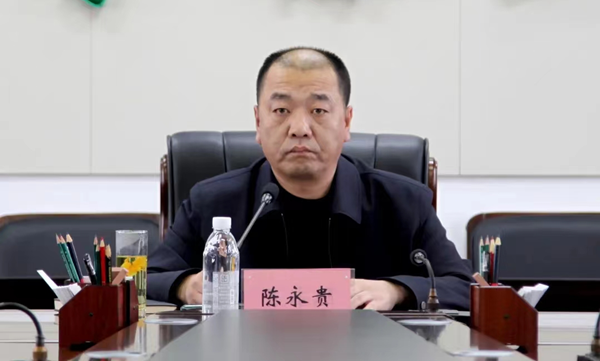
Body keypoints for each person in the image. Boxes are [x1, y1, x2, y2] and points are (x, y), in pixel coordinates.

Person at [148, 46, 473, 311]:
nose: (300, 128)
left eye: (318, 111)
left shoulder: (404, 202)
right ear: (258, 122)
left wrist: (396, 291)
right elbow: (148, 277)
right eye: (281, 111)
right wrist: (186, 286)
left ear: (346, 122)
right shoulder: (212, 202)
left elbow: (463, 286)